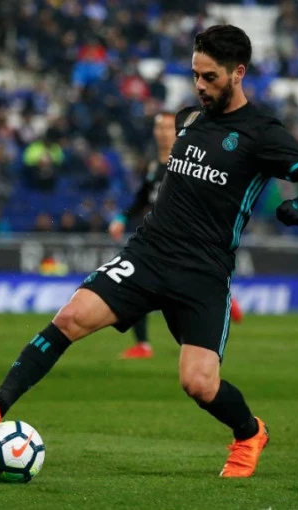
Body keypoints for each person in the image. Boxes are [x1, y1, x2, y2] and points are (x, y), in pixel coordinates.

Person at [0, 25, 298, 478]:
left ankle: (250, 433)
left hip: (203, 272)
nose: (199, 86)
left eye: (210, 77)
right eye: (195, 75)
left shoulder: (262, 133)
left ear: (238, 73)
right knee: (70, 317)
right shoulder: (187, 120)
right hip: (148, 254)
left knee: (198, 383)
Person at [107, 111, 244, 360]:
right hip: (158, 238)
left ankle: (219, 295)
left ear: (178, 131)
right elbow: (141, 198)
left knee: (174, 285)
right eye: (158, 127)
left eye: (167, 128)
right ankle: (143, 344)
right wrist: (121, 218)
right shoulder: (154, 165)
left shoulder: (189, 162)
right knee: (140, 283)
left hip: (185, 239)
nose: (162, 133)